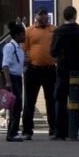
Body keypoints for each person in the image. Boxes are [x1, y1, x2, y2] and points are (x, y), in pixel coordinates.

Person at [48, 5, 79, 139]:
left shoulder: (58, 32)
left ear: (64, 16)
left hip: (62, 70)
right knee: (76, 99)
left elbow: (53, 51)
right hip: (77, 70)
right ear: (75, 16)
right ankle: (74, 130)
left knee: (60, 100)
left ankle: (60, 132)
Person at [21, 9, 55, 140]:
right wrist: (27, 63)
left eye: (45, 15)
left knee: (51, 100)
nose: (44, 17)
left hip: (50, 69)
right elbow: (24, 48)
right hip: (33, 69)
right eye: (41, 15)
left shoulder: (54, 30)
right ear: (36, 16)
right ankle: (27, 130)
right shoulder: (29, 30)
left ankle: (54, 129)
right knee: (29, 101)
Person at [0, 21, 25, 142]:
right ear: (17, 35)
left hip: (18, 77)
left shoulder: (19, 48)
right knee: (16, 105)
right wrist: (8, 81)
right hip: (12, 78)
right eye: (22, 34)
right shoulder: (10, 47)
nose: (24, 36)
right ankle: (11, 133)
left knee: (18, 106)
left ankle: (13, 131)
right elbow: (5, 65)